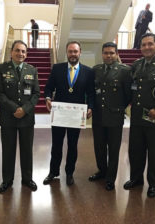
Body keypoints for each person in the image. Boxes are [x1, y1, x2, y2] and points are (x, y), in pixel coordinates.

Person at [124, 33, 155, 197]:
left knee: (153, 153)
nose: (146, 47)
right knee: (135, 151)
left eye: (150, 44)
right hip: (138, 116)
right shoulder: (137, 64)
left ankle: (153, 184)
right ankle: (136, 179)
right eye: (143, 45)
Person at [43, 41, 95, 186]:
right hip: (59, 114)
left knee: (73, 145)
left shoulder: (88, 71)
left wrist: (91, 107)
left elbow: (91, 93)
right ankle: (53, 172)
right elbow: (48, 88)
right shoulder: (57, 68)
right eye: (70, 51)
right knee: (56, 145)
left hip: (76, 116)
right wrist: (47, 98)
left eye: (75, 51)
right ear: (67, 52)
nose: (73, 54)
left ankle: (69, 173)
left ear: (80, 52)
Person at [0, 40, 40, 193]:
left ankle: (27, 179)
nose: (20, 54)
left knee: (27, 150)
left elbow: (36, 93)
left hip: (26, 118)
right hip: (8, 117)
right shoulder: (1, 69)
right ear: (11, 52)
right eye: (17, 50)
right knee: (8, 150)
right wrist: (15, 108)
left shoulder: (32, 70)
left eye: (23, 51)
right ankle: (7, 180)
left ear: (26, 54)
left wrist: (24, 109)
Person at [89, 42, 133, 191]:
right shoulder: (96, 70)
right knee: (99, 148)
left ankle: (110, 178)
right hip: (98, 117)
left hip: (115, 117)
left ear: (116, 54)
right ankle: (102, 171)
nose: (108, 56)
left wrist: (118, 108)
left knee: (113, 149)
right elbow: (92, 91)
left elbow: (128, 95)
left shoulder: (125, 71)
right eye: (106, 53)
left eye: (111, 53)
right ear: (102, 54)